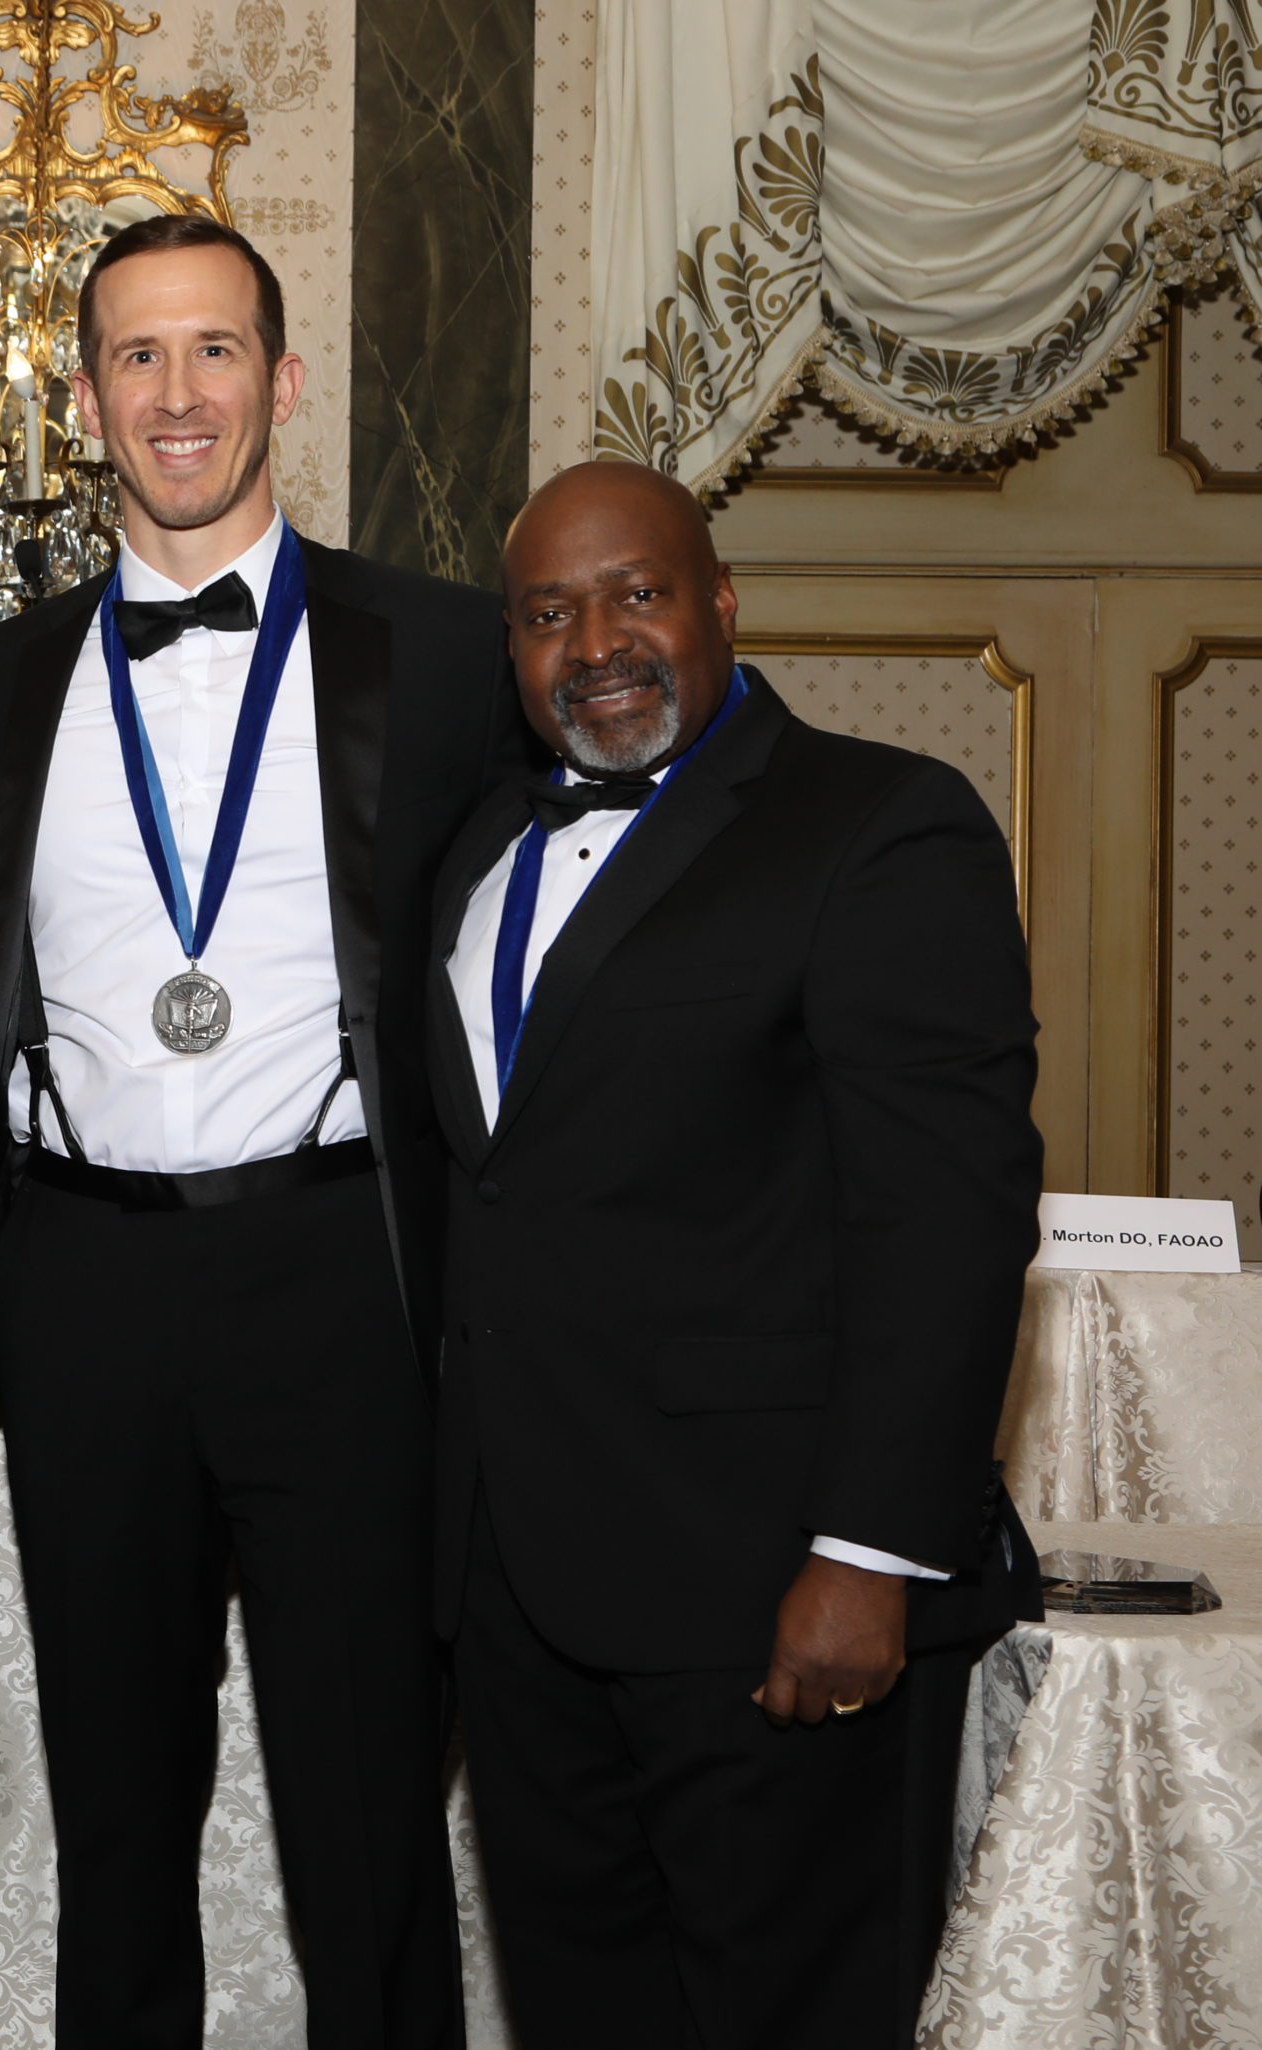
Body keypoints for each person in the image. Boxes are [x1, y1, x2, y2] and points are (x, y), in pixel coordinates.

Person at [0, 212, 527, 2048]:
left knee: (367, 1814)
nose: (176, 393)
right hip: (81, 1285)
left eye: (213, 352)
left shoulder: (438, 654)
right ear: (88, 396)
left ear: (281, 382)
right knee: (115, 1817)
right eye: (135, 355)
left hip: (340, 1279)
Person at [431, 459, 1043, 2050]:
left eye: (638, 591)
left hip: (769, 1594)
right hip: (524, 1599)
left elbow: (947, 1216)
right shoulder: (478, 847)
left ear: (720, 600)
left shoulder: (879, 825)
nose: (599, 642)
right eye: (550, 613)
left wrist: (868, 1551)